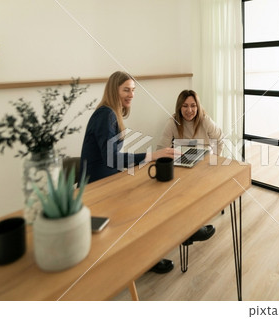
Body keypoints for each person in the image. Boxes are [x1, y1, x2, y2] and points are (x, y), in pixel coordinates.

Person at [80, 71, 176, 274]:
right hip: (97, 187)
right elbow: (112, 158)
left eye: (133, 90)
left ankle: (147, 255)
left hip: (109, 179)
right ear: (114, 90)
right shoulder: (105, 114)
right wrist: (152, 155)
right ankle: (146, 258)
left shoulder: (111, 113)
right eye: (126, 90)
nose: (131, 94)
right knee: (145, 203)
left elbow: (113, 157)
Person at [158, 89, 224, 246]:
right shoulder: (172, 122)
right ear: (179, 107)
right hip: (182, 165)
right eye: (185, 106)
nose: (189, 110)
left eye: (193, 106)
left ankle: (189, 230)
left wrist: (214, 161)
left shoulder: (204, 120)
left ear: (198, 106)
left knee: (190, 191)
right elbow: (161, 148)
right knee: (174, 192)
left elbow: (219, 139)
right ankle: (186, 231)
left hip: (204, 165)